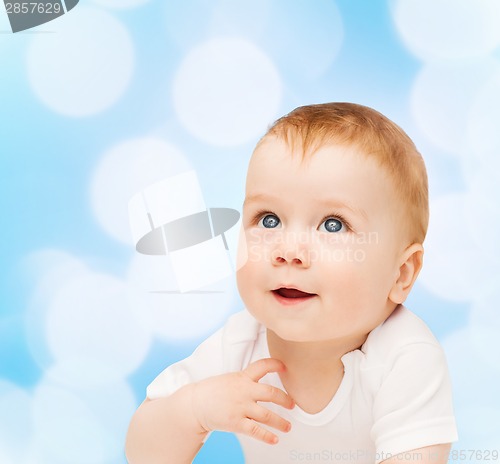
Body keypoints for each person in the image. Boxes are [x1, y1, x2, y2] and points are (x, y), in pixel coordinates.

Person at [125, 102, 458, 464]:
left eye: (333, 225)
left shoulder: (405, 358)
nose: (288, 251)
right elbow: (143, 454)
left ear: (402, 273)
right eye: (268, 220)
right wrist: (194, 410)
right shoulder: (240, 344)